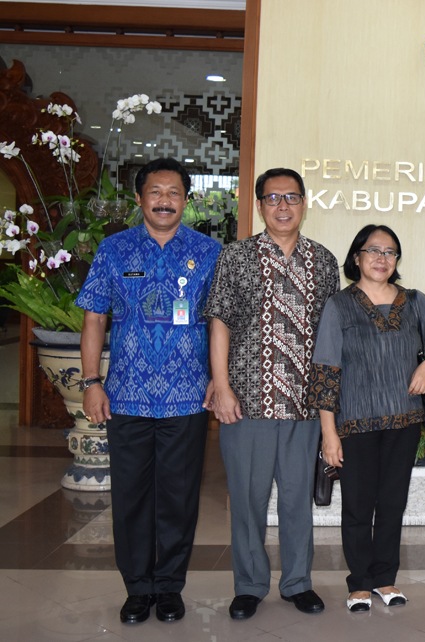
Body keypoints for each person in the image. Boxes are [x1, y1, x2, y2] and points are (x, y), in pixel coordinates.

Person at [77, 157, 221, 624]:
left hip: (187, 396)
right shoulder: (114, 250)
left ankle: (170, 586)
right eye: (155, 192)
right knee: (132, 497)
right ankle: (138, 588)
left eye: (174, 192)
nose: (164, 200)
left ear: (186, 200)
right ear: (139, 199)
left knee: (179, 497)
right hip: (126, 395)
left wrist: (220, 381)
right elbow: (95, 318)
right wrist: (92, 382)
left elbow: (221, 323)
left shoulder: (210, 252)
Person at [205, 168, 339, 620]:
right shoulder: (236, 257)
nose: (283, 206)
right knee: (247, 499)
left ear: (305, 203)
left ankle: (298, 582)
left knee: (298, 498)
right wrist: (220, 386)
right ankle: (249, 585)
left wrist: (328, 406)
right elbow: (219, 321)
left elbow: (330, 337)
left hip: (303, 404)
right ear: (260, 205)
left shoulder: (323, 261)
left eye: (292, 197)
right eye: (273, 198)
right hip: (248, 400)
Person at [308, 224, 425, 613]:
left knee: (391, 503)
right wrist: (328, 433)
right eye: (373, 251)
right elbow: (325, 370)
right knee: (356, 504)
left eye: (389, 252)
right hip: (354, 423)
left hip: (404, 422)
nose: (381, 258)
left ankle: (385, 579)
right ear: (357, 258)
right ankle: (359, 583)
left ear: (397, 260)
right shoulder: (339, 305)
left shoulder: (415, 301)